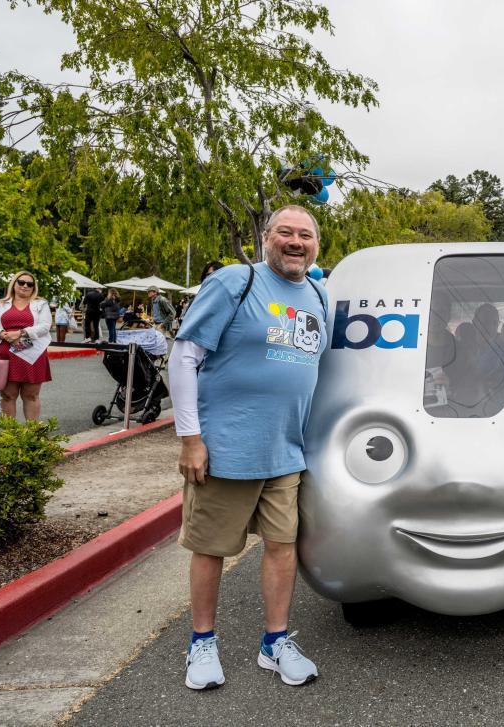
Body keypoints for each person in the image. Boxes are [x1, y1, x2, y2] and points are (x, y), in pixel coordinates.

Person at [168, 204, 328, 691]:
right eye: (286, 232)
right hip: (226, 448)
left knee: (282, 549)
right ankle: (202, 642)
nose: (295, 241)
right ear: (266, 238)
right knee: (211, 548)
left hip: (286, 451)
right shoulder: (236, 282)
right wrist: (191, 438)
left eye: (305, 234)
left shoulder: (320, 294)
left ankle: (274, 643)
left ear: (316, 245)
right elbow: (183, 356)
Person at [0, 271, 53, 421]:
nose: (25, 286)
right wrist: (3, 334)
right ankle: (10, 437)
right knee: (7, 395)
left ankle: (32, 437)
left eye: (30, 284)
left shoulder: (41, 304)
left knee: (31, 395)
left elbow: (45, 327)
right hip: (5, 353)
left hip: (32, 353)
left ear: (34, 287)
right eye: (21, 282)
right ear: (14, 284)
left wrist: (20, 333)